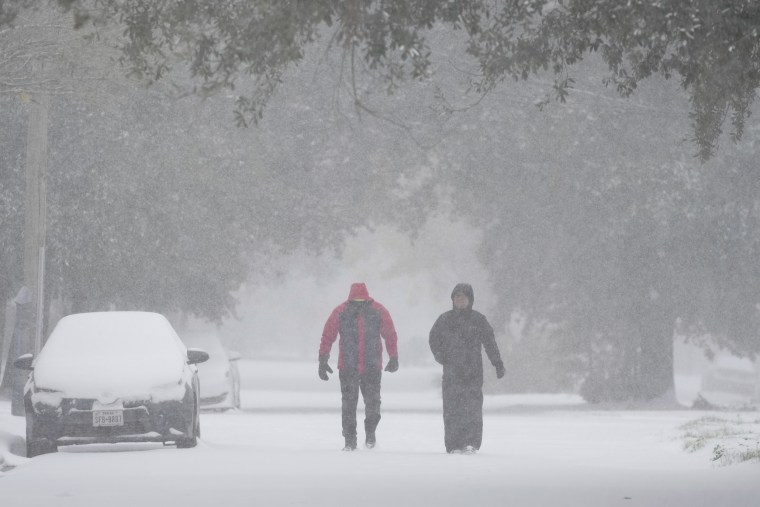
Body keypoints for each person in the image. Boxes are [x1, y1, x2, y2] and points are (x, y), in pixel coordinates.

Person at [318, 282, 399, 451]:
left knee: (351, 404)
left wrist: (323, 358)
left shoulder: (342, 311)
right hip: (365, 366)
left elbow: (328, 335)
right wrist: (393, 356)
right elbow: (390, 334)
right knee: (370, 403)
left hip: (353, 366)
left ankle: (355, 438)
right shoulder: (377, 310)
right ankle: (362, 435)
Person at [429, 283, 505, 454]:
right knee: (451, 409)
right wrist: (441, 357)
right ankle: (453, 444)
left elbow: (490, 343)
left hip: (473, 372)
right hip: (452, 373)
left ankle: (471, 443)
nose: (459, 299)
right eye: (456, 296)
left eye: (463, 296)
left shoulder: (478, 320)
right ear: (452, 299)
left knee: (473, 410)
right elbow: (433, 340)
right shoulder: (444, 320)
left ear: (470, 299)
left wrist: (497, 363)